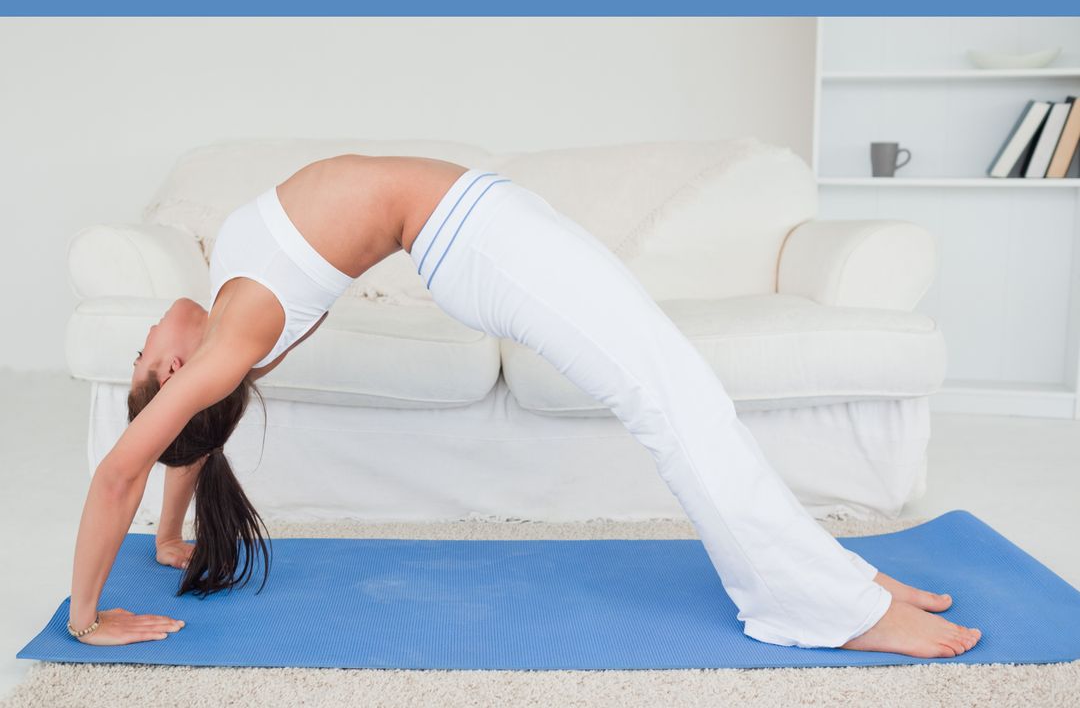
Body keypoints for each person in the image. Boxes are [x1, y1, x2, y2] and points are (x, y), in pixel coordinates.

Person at [66, 155, 981, 657]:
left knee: (682, 391)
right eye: (148, 354)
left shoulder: (228, 315)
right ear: (174, 369)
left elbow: (184, 442)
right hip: (483, 244)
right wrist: (85, 614)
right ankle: (825, 608)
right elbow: (125, 465)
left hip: (490, 225)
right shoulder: (226, 344)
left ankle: (837, 583)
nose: (148, 333)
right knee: (674, 399)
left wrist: (170, 536)